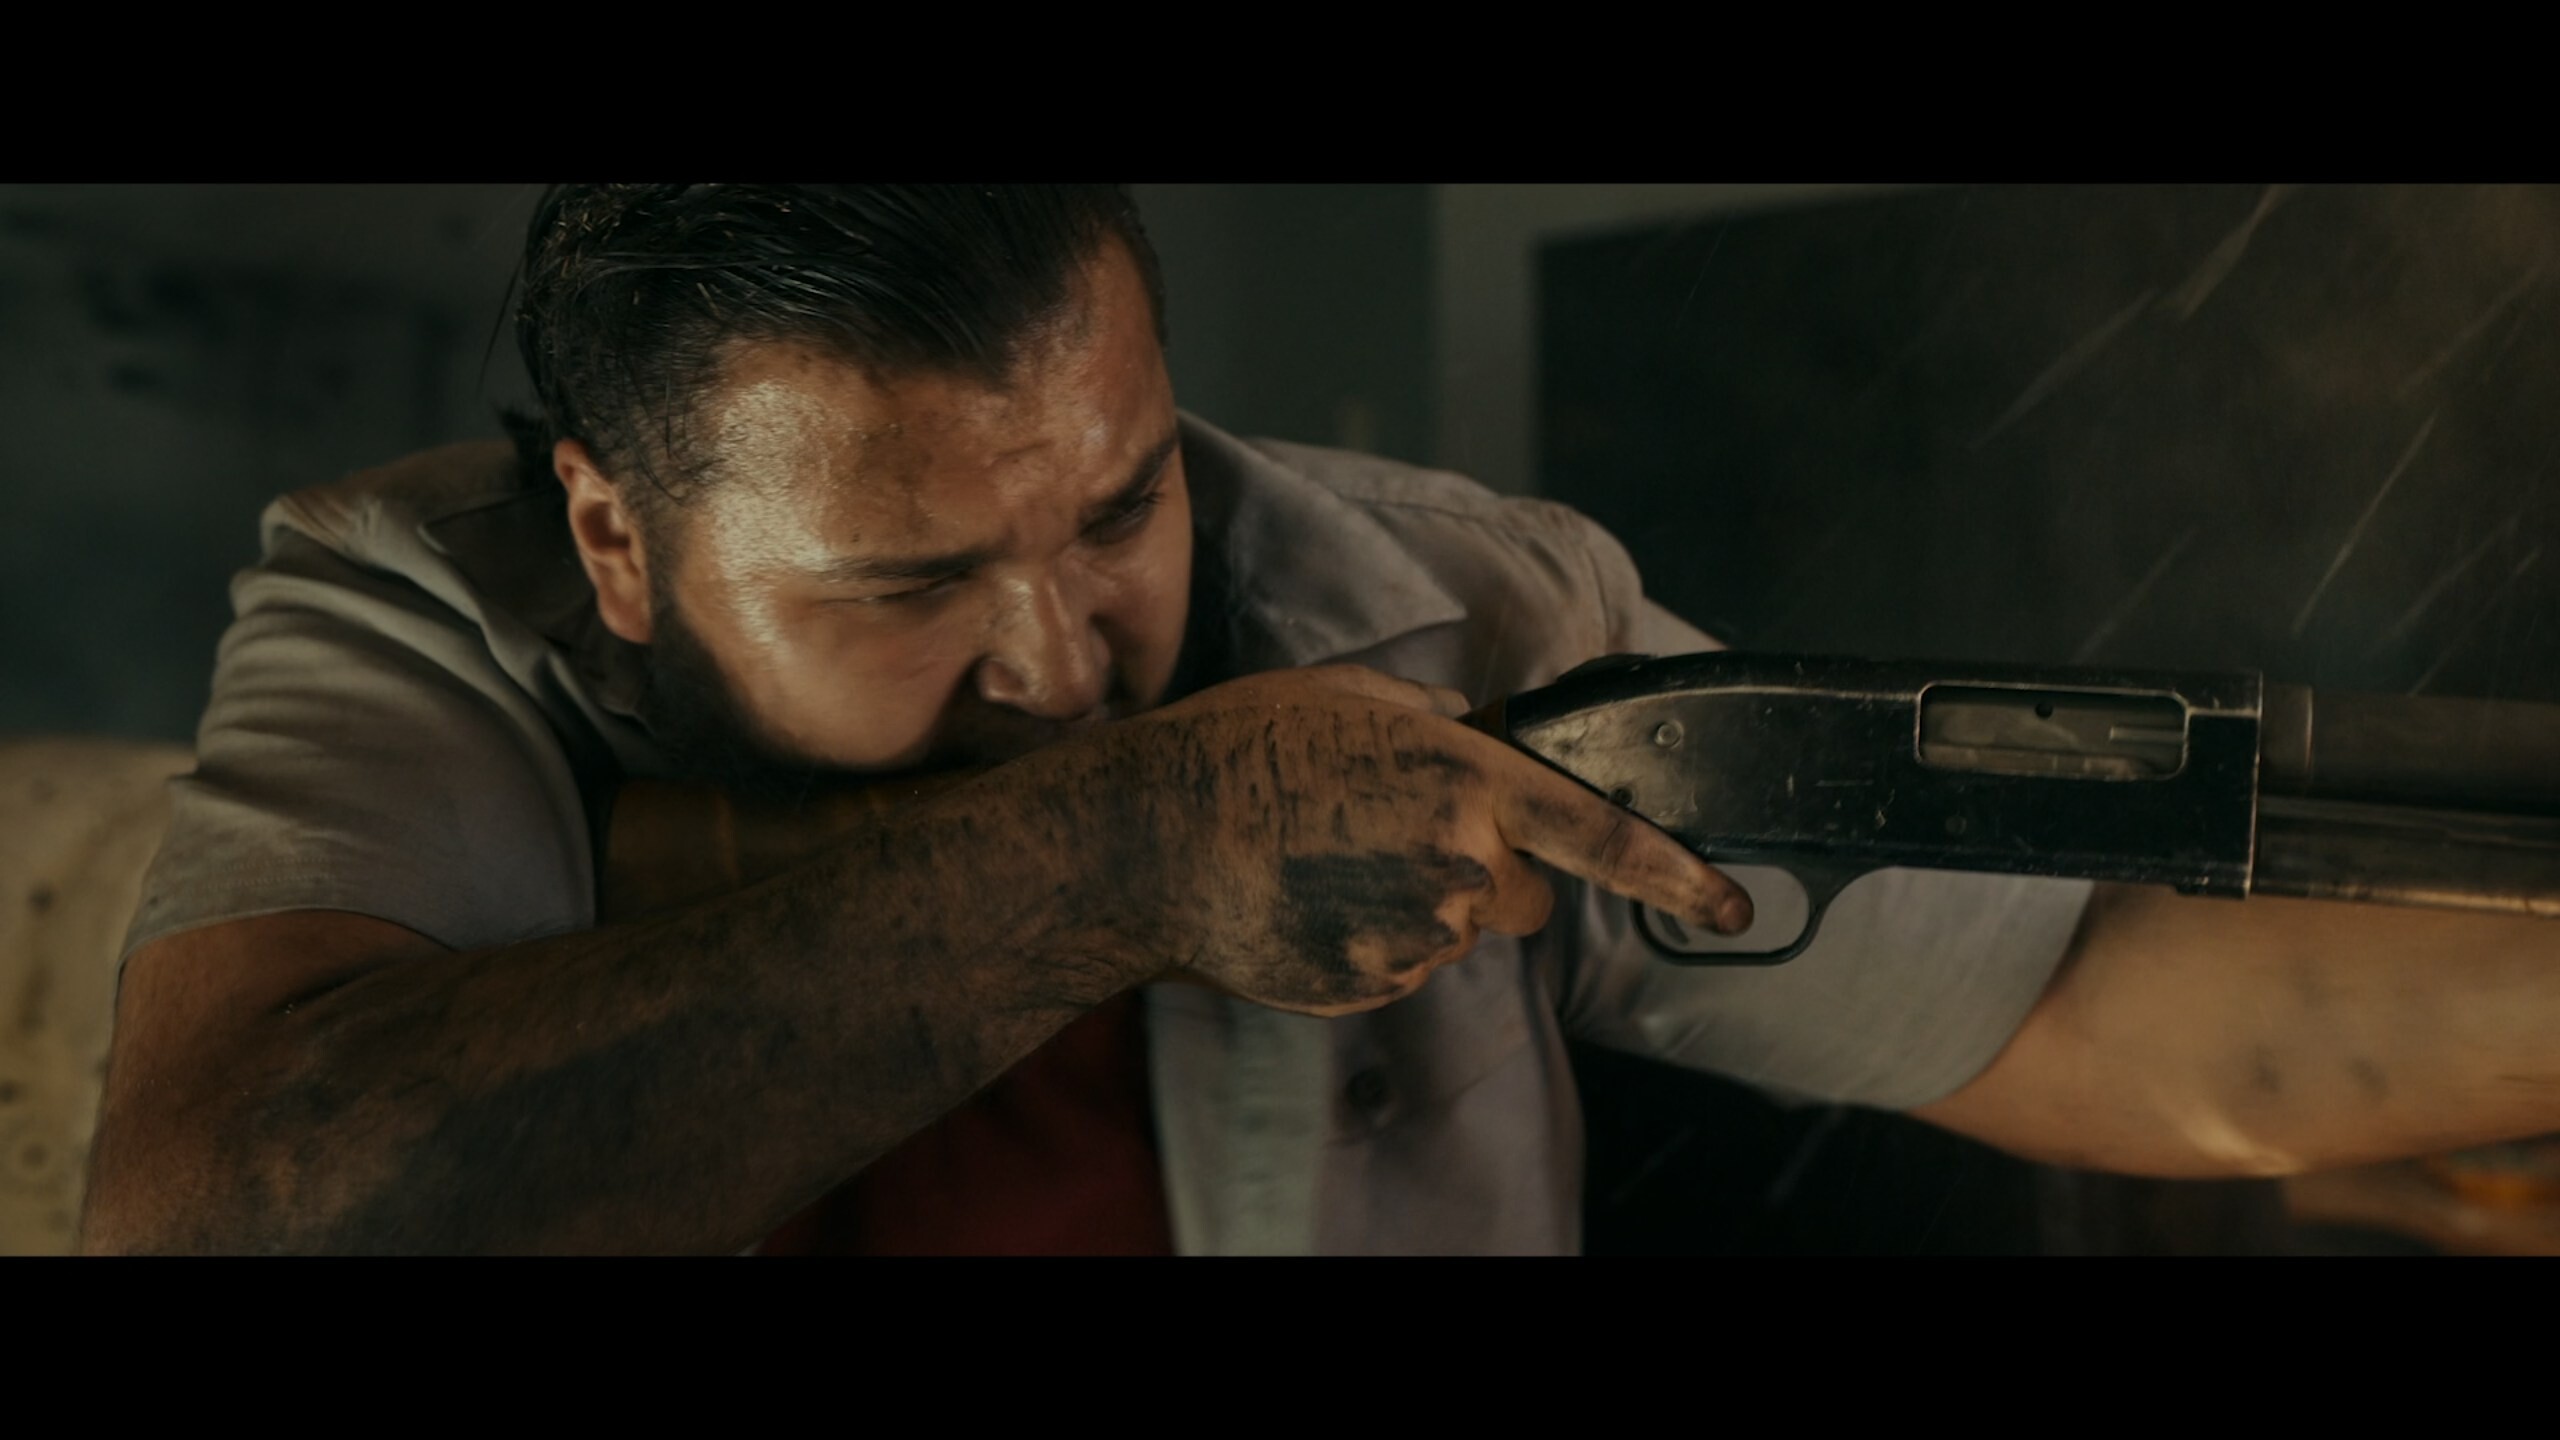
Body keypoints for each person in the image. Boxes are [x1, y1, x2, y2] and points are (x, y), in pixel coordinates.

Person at [75, 185, 2560, 1255]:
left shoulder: (1445, 605)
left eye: (1120, 508)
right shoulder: (422, 607)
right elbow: (235, 1215)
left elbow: (2107, 1007)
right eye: (910, 586)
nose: (1062, 658)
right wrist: (1110, 861)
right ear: (616, 541)